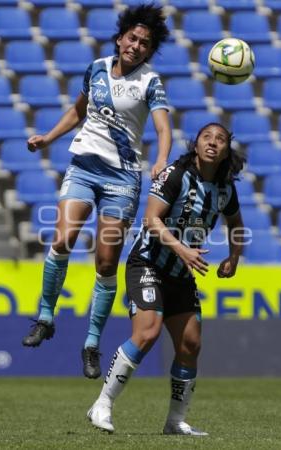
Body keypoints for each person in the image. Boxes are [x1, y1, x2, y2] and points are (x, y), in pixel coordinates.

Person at [22, 3, 171, 380]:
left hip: (121, 180)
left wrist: (161, 159)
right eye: (132, 38)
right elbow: (78, 110)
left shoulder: (150, 82)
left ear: (150, 51)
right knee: (62, 240)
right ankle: (44, 316)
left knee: (105, 263)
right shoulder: (97, 69)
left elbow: (163, 128)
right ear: (120, 38)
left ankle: (91, 343)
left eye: (145, 43)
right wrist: (48, 137)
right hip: (83, 168)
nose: (136, 46)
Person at [87, 123, 244, 435]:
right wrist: (183, 249)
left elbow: (236, 223)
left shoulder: (225, 187)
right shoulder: (176, 174)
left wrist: (234, 257)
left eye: (220, 139)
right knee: (147, 332)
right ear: (195, 144)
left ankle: (175, 422)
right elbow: (151, 220)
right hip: (147, 262)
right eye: (206, 137)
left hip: (180, 274)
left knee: (190, 343)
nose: (213, 143)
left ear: (227, 149)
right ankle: (102, 404)